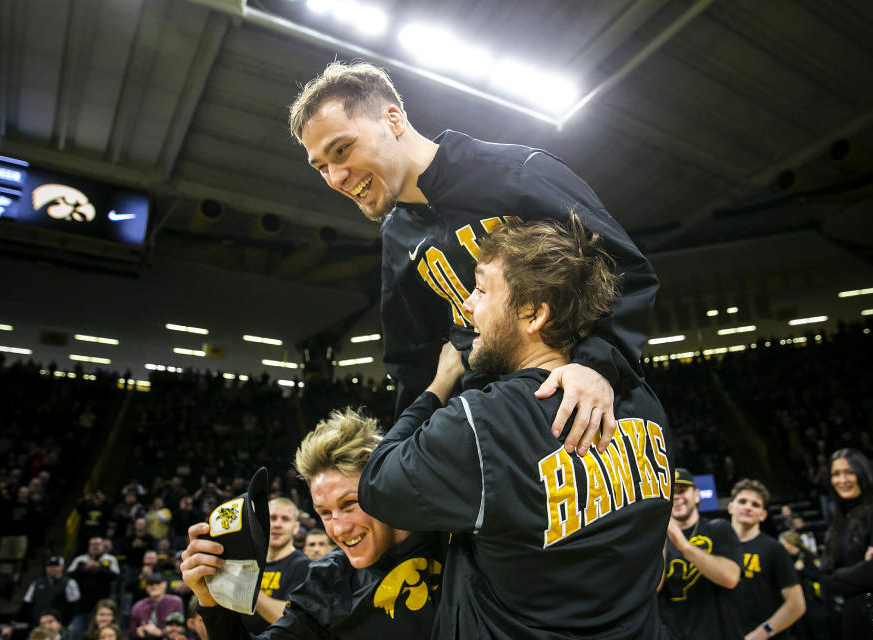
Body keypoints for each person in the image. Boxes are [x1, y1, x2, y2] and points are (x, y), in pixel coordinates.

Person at [289, 60, 659, 457]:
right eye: (321, 167)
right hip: (495, 432)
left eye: (342, 149)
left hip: (590, 410)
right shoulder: (396, 236)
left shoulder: (516, 171)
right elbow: (413, 362)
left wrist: (597, 365)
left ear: (393, 120)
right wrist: (414, 449)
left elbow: (623, 267)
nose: (334, 177)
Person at [358, 216, 672, 638]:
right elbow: (656, 566)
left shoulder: (481, 422)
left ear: (533, 314)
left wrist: (436, 388)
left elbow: (377, 483)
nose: (466, 305)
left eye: (482, 289)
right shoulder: (643, 403)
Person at [180, 409, 444, 639]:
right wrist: (211, 599)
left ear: (383, 489)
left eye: (349, 504)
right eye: (325, 513)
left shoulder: (451, 535)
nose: (339, 529)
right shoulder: (327, 583)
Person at [800, 448, 873, 639]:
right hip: (849, 621)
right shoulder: (837, 524)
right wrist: (864, 569)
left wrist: (840, 575)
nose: (842, 480)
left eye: (850, 472)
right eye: (836, 474)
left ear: (863, 474)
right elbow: (824, 581)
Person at [659, 468, 742, 640]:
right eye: (670, 492)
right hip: (672, 633)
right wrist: (661, 538)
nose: (676, 496)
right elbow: (654, 588)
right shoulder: (658, 539)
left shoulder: (719, 528)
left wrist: (684, 546)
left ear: (697, 495)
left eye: (682, 491)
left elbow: (731, 578)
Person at [727, 479, 805, 639]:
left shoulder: (774, 549)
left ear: (763, 515)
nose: (748, 507)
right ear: (730, 507)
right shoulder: (717, 548)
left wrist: (761, 633)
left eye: (755, 504)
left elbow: (796, 604)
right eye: (742, 501)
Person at [245, 499, 309, 632]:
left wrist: (247, 587)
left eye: (285, 519)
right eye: (272, 518)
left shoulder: (304, 566)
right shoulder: (249, 564)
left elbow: (290, 618)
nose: (277, 524)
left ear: (296, 527)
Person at [67, 538, 120, 634]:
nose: (95, 546)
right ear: (88, 546)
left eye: (98, 544)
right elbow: (69, 575)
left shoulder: (109, 559)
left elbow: (115, 576)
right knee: (76, 632)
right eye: (92, 544)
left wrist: (99, 568)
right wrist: (84, 568)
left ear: (103, 546)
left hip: (102, 604)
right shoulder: (80, 559)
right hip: (82, 604)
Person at [20, 557, 81, 627]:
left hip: (56, 625)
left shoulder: (69, 583)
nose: (52, 568)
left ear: (62, 567)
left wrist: (65, 624)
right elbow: (27, 604)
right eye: (50, 566)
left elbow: (74, 606)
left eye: (55, 566)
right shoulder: (37, 583)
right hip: (37, 623)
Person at [128, 574, 183, 640]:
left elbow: (181, 629)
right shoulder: (138, 606)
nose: (154, 587)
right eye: (150, 584)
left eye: (157, 583)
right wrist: (138, 632)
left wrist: (160, 632)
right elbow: (131, 632)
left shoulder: (175, 602)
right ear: (146, 587)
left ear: (164, 584)